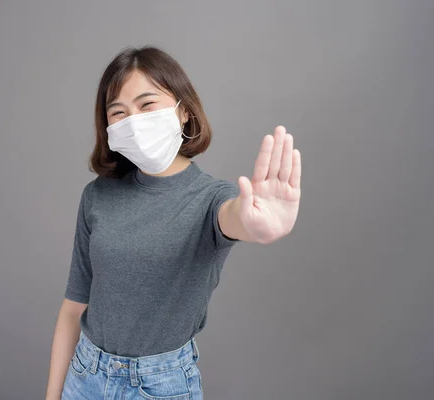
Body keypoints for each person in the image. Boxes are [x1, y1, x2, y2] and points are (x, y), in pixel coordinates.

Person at [45, 45, 301, 400]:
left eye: (147, 104)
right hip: (85, 375)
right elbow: (74, 308)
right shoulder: (97, 196)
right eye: (117, 112)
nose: (132, 120)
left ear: (183, 111)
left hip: (160, 386)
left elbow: (233, 217)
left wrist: (256, 224)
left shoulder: (210, 198)